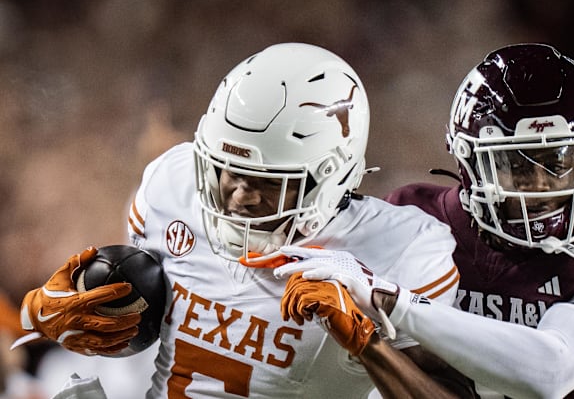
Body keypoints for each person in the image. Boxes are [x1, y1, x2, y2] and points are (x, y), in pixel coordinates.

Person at [14, 43, 473, 398]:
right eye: (225, 170)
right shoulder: (172, 186)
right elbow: (138, 326)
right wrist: (48, 311)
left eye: (267, 180)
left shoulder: (402, 251)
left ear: (332, 174)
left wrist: (367, 344)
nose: (237, 193)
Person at [274, 43, 574, 398]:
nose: (541, 185)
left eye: (560, 163)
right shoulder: (418, 223)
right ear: (471, 163)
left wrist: (390, 300)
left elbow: (550, 372)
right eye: (517, 166)